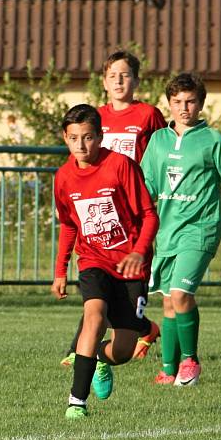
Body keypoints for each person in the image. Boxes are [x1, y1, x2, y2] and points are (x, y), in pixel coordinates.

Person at [141, 72, 221, 386]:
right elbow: (146, 183)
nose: (184, 107)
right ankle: (168, 369)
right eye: (177, 102)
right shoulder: (158, 140)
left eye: (190, 101)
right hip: (166, 231)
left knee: (181, 293)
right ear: (169, 104)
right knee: (167, 299)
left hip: (200, 229)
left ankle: (191, 361)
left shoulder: (212, 139)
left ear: (200, 103)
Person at [51, 104, 159, 419]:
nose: (81, 146)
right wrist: (60, 271)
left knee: (123, 350)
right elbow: (69, 224)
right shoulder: (63, 178)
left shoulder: (120, 166)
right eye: (74, 138)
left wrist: (139, 251)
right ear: (65, 138)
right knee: (94, 315)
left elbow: (149, 215)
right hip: (93, 260)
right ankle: (76, 402)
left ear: (100, 136)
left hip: (130, 266)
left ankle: (97, 358)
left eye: (88, 138)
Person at [59, 50, 167, 367]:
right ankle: (85, 348)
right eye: (112, 75)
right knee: (99, 283)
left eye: (125, 74)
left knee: (122, 289)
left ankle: (121, 337)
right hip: (103, 209)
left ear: (136, 79)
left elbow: (164, 151)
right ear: (104, 81)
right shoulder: (96, 116)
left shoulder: (148, 115)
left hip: (135, 211)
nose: (119, 81)